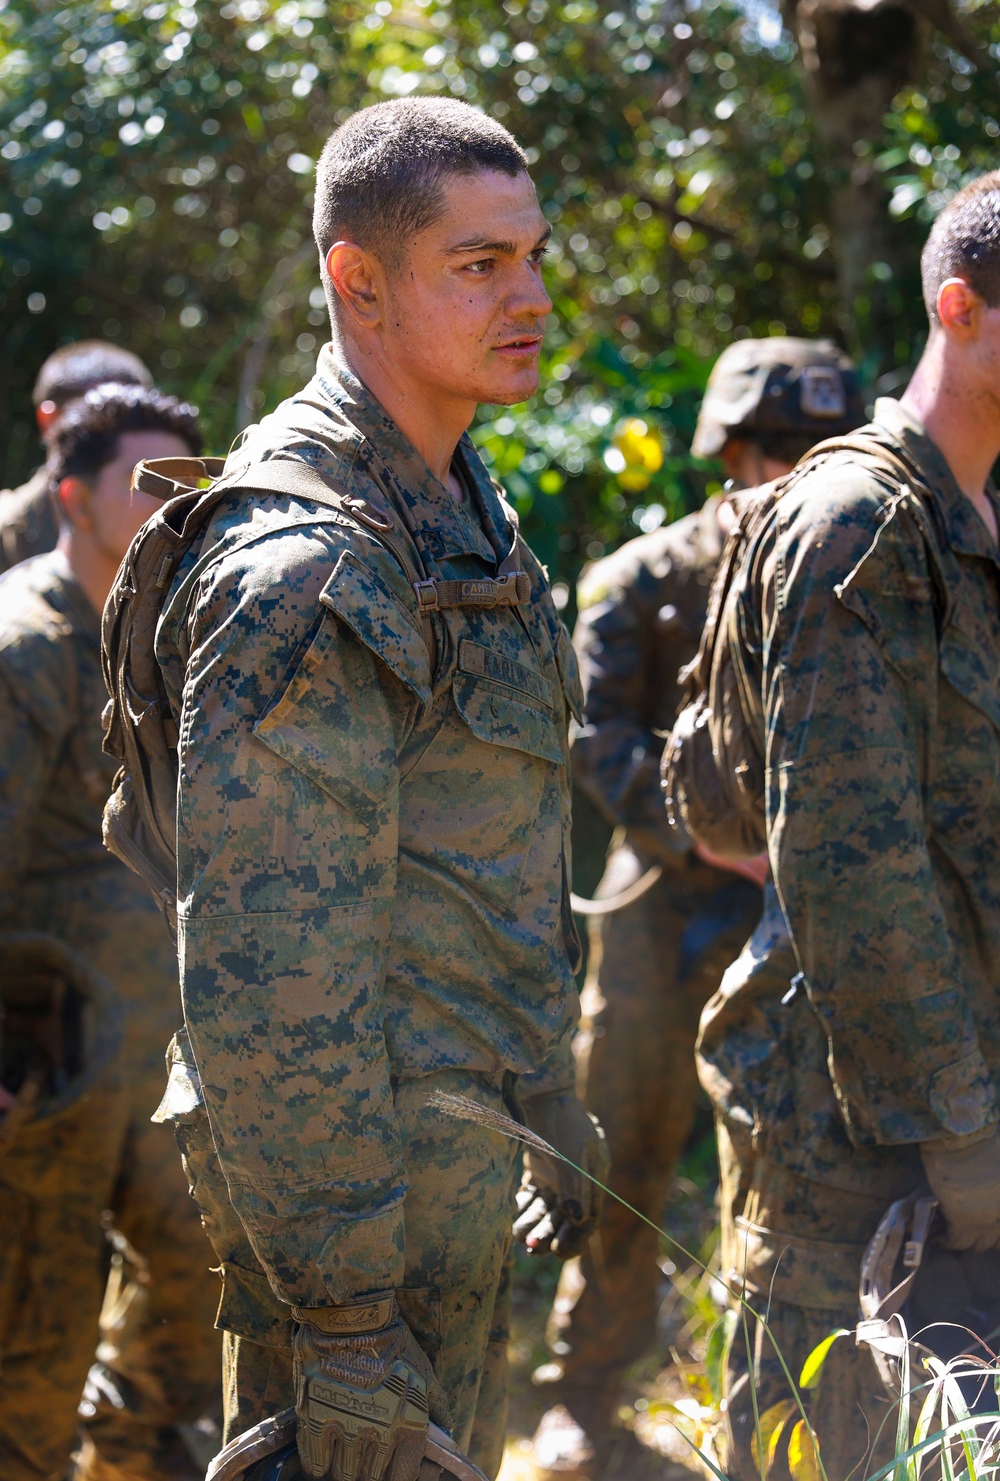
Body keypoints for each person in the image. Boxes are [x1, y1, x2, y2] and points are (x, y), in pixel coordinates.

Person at [145, 97, 604, 1481]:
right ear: (358, 281)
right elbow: (274, 976)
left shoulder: (462, 509)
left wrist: (550, 1090)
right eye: (480, 264)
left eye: (531, 256)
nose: (527, 296)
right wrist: (342, 1323)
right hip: (352, 1254)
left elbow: (493, 850)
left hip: (457, 1206)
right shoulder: (304, 566)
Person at [677, 170, 1000, 1480]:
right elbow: (847, 866)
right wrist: (963, 1138)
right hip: (853, 1149)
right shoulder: (857, 526)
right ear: (962, 309)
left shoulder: (979, 518)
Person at [530, 338, 864, 1477]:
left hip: (818, 923)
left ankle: (782, 1412)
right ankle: (581, 1391)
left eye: (810, 451)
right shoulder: (641, 578)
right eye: (764, 449)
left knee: (808, 1178)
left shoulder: (866, 581)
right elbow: (595, 740)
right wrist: (718, 843)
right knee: (619, 1153)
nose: (782, 470)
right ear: (721, 453)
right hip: (662, 916)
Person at [0, 384, 221, 1481]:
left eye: (193, 488)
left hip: (158, 1061)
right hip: (41, 1075)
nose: (176, 511)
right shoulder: (21, 648)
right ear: (75, 499)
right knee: (22, 1370)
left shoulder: (176, 643)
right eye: (149, 489)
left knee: (199, 1302)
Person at [0, 341, 153, 573]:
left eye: (139, 420)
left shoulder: (166, 520)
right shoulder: (8, 532)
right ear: (48, 420)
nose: (124, 440)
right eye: (100, 421)